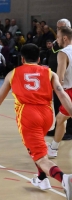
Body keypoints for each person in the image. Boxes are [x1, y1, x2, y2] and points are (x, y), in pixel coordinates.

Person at [0, 43, 72, 199]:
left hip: (29, 116)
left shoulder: (13, 73)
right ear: (39, 59)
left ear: (22, 59)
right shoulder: (49, 72)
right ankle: (42, 179)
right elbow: (62, 94)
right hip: (47, 115)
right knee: (35, 146)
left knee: (40, 157)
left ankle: (65, 179)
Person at [47, 26, 72, 158]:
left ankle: (53, 148)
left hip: (70, 91)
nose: (56, 40)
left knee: (61, 119)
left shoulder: (63, 53)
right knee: (61, 119)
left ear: (64, 38)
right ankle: (53, 148)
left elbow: (59, 77)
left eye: (57, 37)